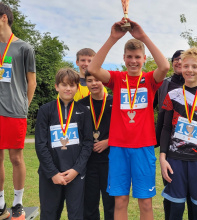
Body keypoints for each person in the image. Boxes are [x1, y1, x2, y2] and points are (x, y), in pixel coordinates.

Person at [88, 18, 169, 220]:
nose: (133, 61)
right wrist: (112, 38)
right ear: (124, 58)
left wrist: (142, 36)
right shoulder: (117, 79)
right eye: (130, 57)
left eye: (137, 57)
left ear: (144, 59)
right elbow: (94, 69)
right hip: (118, 148)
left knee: (146, 203)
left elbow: (165, 66)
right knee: (120, 201)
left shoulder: (150, 80)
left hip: (143, 147)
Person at [159, 47, 197, 220]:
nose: (190, 70)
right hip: (175, 159)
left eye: (195, 66)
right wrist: (163, 158)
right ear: (180, 68)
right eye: (186, 66)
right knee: (175, 210)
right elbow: (165, 128)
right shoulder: (172, 95)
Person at [35, 68, 93, 220]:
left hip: (75, 174)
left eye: (72, 85)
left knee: (76, 214)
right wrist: (53, 172)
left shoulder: (84, 111)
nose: (68, 88)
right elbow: (40, 144)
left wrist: (76, 169)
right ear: (56, 86)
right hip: (50, 174)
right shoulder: (45, 110)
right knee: (49, 214)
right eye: (64, 84)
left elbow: (88, 143)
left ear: (77, 87)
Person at [0, 3, 36, 220]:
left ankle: (18, 204)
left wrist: (24, 106)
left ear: (4, 18)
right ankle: (1, 203)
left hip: (15, 110)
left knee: (16, 158)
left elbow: (31, 82)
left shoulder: (24, 48)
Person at [78, 71, 114, 220]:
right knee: (90, 203)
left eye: (97, 80)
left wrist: (109, 141)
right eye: (90, 80)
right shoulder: (80, 104)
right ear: (86, 83)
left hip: (110, 161)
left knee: (110, 203)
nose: (94, 83)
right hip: (88, 162)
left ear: (103, 82)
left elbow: (125, 129)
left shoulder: (115, 102)